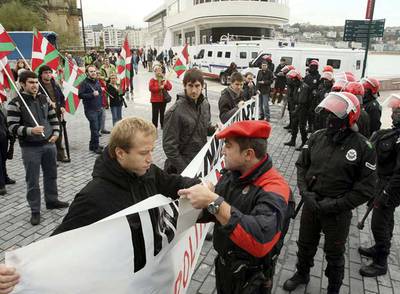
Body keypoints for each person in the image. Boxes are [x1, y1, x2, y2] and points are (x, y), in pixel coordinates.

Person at [0, 117, 200, 293]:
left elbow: (173, 183)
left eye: (152, 151)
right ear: (120, 153)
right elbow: (57, 247)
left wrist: (204, 189)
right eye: (144, 152)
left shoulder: (147, 171)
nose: (150, 158)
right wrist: (16, 273)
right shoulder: (93, 197)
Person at [178, 120, 293, 294]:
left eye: (228, 146)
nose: (223, 151)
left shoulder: (275, 189)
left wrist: (214, 201)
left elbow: (259, 239)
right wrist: (201, 202)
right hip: (225, 267)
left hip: (251, 279)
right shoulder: (234, 174)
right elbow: (217, 212)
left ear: (248, 154)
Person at [283, 92, 377, 294]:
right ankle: (302, 274)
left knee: (334, 255)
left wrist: (336, 205)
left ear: (348, 118)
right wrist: (305, 192)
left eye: (335, 115)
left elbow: (366, 188)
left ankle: (333, 289)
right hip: (311, 205)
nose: (329, 118)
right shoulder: (317, 137)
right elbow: (301, 166)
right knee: (305, 245)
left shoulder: (363, 147)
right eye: (328, 113)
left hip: (337, 212)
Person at [7, 71, 69, 225]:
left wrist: (55, 132)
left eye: (36, 82)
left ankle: (52, 200)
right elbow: (12, 127)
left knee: (51, 175)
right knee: (32, 180)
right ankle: (35, 210)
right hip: (30, 148)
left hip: (49, 144)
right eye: (31, 82)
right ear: (22, 84)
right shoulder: (15, 103)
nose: (35, 85)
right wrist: (29, 131)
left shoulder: (43, 99)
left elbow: (53, 118)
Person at [358, 94, 400, 277]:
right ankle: (379, 248)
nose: (393, 114)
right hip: (384, 181)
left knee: (379, 223)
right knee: (386, 219)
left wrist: (386, 192)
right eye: (395, 111)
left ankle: (381, 262)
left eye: (398, 112)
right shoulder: (395, 133)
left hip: (392, 186)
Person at [163, 68, 216, 174]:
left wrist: (214, 128)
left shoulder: (205, 104)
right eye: (190, 86)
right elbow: (169, 146)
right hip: (185, 167)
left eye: (197, 86)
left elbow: (205, 128)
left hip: (201, 162)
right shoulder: (175, 111)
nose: (194, 90)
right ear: (184, 86)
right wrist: (185, 169)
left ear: (202, 86)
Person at [38, 65, 70, 163]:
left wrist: (62, 106)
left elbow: (61, 97)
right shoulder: (38, 86)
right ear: (41, 74)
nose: (48, 75)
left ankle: (60, 155)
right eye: (45, 73)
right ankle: (50, 158)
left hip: (57, 113)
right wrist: (47, 102)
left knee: (58, 134)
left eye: (49, 72)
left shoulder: (55, 84)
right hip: (44, 116)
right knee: (48, 135)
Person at [78, 65, 103, 154]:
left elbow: (99, 93)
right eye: (91, 71)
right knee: (95, 129)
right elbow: (80, 95)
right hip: (90, 110)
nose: (93, 73)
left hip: (99, 108)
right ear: (87, 73)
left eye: (94, 71)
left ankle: (92, 145)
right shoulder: (84, 83)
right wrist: (92, 94)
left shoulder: (97, 81)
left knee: (98, 128)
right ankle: (96, 147)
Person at [284, 70, 310, 150]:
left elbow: (302, 101)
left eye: (293, 80)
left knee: (302, 127)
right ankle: (293, 140)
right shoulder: (297, 86)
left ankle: (304, 142)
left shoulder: (304, 87)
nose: (292, 81)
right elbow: (294, 97)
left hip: (302, 110)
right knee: (294, 125)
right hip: (296, 108)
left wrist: (296, 110)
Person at [149, 65, 172, 129]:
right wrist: (159, 87)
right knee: (155, 114)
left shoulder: (164, 79)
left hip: (163, 99)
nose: (159, 72)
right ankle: (154, 126)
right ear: (155, 72)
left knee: (162, 113)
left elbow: (169, 87)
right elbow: (151, 88)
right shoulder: (152, 80)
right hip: (155, 100)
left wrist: (165, 83)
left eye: (160, 70)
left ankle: (162, 125)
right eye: (157, 70)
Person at [0, 101, 16, 195]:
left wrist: (9, 133)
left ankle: (5, 178)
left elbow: (4, 121)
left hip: (3, 136)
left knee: (3, 159)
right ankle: (1, 185)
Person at [303, 60, 321, 133]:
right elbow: (304, 85)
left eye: (314, 67)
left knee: (312, 113)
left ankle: (313, 127)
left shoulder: (318, 77)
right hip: (307, 97)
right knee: (307, 113)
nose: (313, 68)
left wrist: (316, 91)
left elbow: (319, 87)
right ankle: (309, 126)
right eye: (312, 67)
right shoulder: (307, 76)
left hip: (314, 98)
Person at [97, 70, 110, 135]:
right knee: (98, 117)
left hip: (103, 101)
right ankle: (98, 131)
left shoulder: (101, 81)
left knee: (103, 116)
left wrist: (103, 87)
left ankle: (103, 128)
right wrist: (100, 89)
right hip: (97, 102)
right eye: (97, 74)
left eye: (99, 74)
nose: (98, 75)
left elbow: (105, 89)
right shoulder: (94, 82)